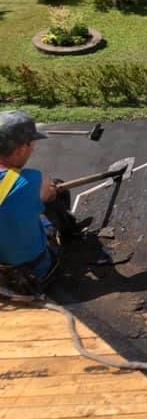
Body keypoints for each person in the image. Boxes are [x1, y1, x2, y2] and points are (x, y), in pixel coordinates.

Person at [0, 111, 67, 297]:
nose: (33, 149)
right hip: (33, 274)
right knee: (56, 197)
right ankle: (72, 233)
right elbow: (48, 192)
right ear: (21, 149)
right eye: (32, 144)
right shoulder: (33, 180)